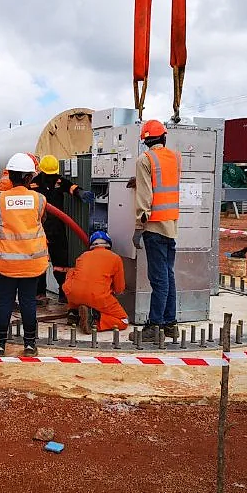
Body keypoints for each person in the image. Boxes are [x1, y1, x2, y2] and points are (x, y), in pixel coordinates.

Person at [0, 153, 48, 357]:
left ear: (10, 176)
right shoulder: (39, 199)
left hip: (6, 262)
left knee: (4, 302)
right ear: (30, 178)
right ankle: (29, 346)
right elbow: (42, 219)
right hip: (32, 262)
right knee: (28, 302)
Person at [130, 119, 181, 338]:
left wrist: (138, 228)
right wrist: (140, 180)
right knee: (168, 277)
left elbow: (145, 198)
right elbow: (163, 181)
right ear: (164, 137)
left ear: (145, 140)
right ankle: (170, 324)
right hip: (171, 226)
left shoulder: (145, 159)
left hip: (154, 228)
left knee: (158, 280)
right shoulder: (175, 157)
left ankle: (154, 326)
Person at [29, 154, 94, 304]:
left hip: (58, 228)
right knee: (40, 261)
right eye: (49, 175)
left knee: (61, 264)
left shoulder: (59, 181)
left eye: (54, 174)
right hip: (40, 228)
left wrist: (80, 192)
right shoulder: (34, 184)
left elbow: (70, 186)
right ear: (42, 172)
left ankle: (63, 292)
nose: (53, 177)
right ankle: (40, 294)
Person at [63, 231, 128, 333]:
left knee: (72, 274)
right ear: (108, 244)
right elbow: (119, 289)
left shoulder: (83, 256)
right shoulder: (115, 258)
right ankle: (94, 319)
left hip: (73, 295)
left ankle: (73, 312)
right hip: (98, 297)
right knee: (123, 321)